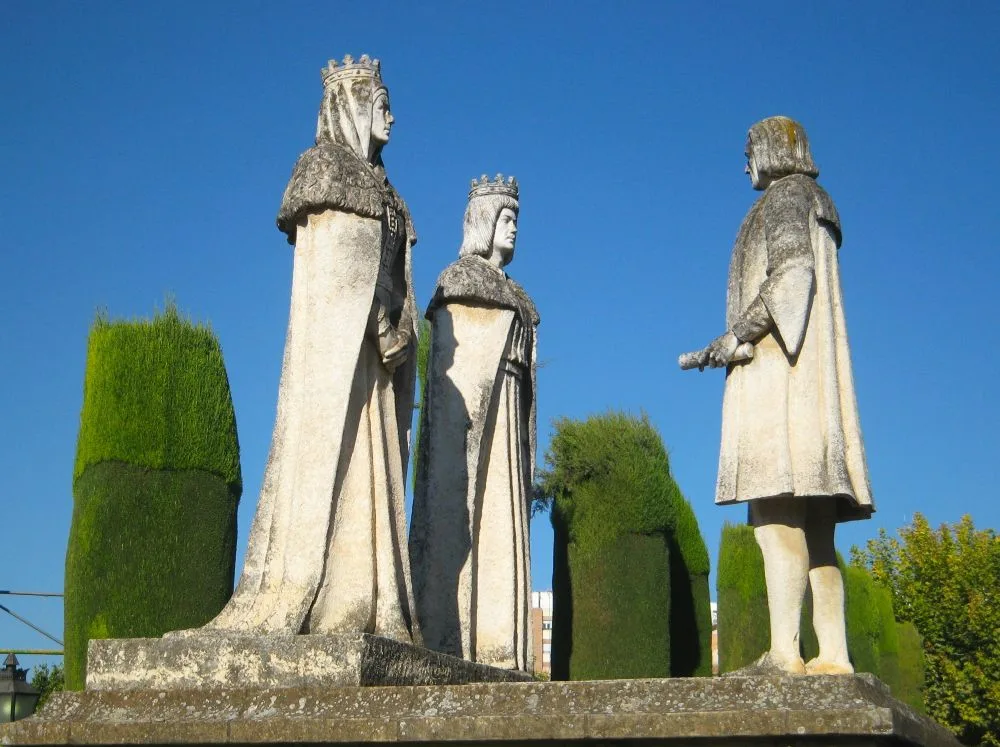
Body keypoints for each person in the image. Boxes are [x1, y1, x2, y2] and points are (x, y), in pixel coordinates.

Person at [205, 55, 420, 642]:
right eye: (382, 105)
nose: (392, 117)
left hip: (378, 364)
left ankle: (368, 599)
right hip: (341, 358)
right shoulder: (324, 169)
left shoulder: (392, 196)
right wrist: (375, 322)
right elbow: (332, 272)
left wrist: (399, 330)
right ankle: (325, 594)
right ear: (350, 105)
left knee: (373, 474)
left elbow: (396, 276)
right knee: (335, 460)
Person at [682, 116, 873, 675]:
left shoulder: (787, 198)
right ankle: (834, 654)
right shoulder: (819, 202)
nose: (745, 165)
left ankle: (785, 653)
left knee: (774, 515)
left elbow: (792, 278)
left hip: (782, 382)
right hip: (814, 389)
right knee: (818, 534)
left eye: (748, 152)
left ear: (769, 150)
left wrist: (735, 335)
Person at [409, 175, 538, 670]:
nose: (513, 230)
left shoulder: (519, 296)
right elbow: (455, 376)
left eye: (517, 221)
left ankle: (501, 649)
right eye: (506, 219)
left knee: (502, 521)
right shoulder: (459, 281)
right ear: (484, 223)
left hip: (508, 407)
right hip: (479, 424)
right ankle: (455, 640)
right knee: (467, 514)